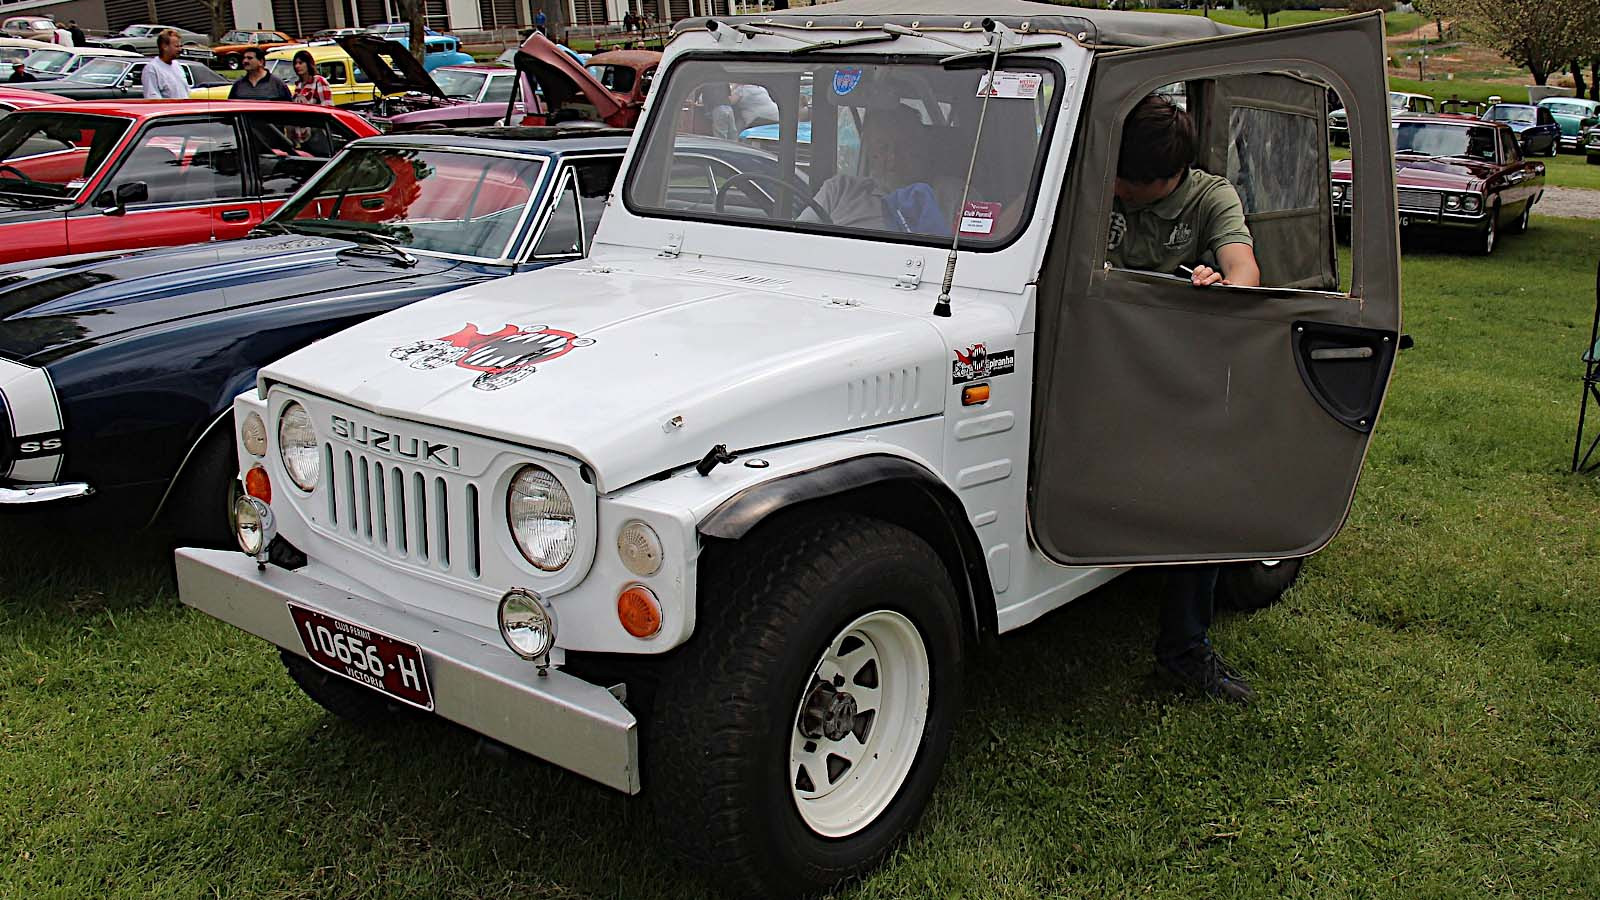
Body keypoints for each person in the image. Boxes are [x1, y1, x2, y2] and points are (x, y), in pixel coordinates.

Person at [1107, 93, 1262, 704]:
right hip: (1101, 371)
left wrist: (1220, 287)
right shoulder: (1100, 181)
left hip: (1176, 381)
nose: (1116, 187)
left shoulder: (1210, 198)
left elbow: (1244, 270)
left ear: (1167, 176)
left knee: (1204, 497)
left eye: (1128, 181)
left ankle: (1183, 652)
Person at [801, 103, 955, 234]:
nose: (893, 156)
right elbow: (800, 238)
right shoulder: (839, 189)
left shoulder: (951, 194)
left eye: (904, 146)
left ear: (920, 148)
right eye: (883, 148)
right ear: (870, 151)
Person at [141, 29, 189, 99]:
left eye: (180, 46)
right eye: (176, 46)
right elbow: (152, 97)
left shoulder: (177, 66)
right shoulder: (152, 69)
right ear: (164, 46)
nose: (180, 49)